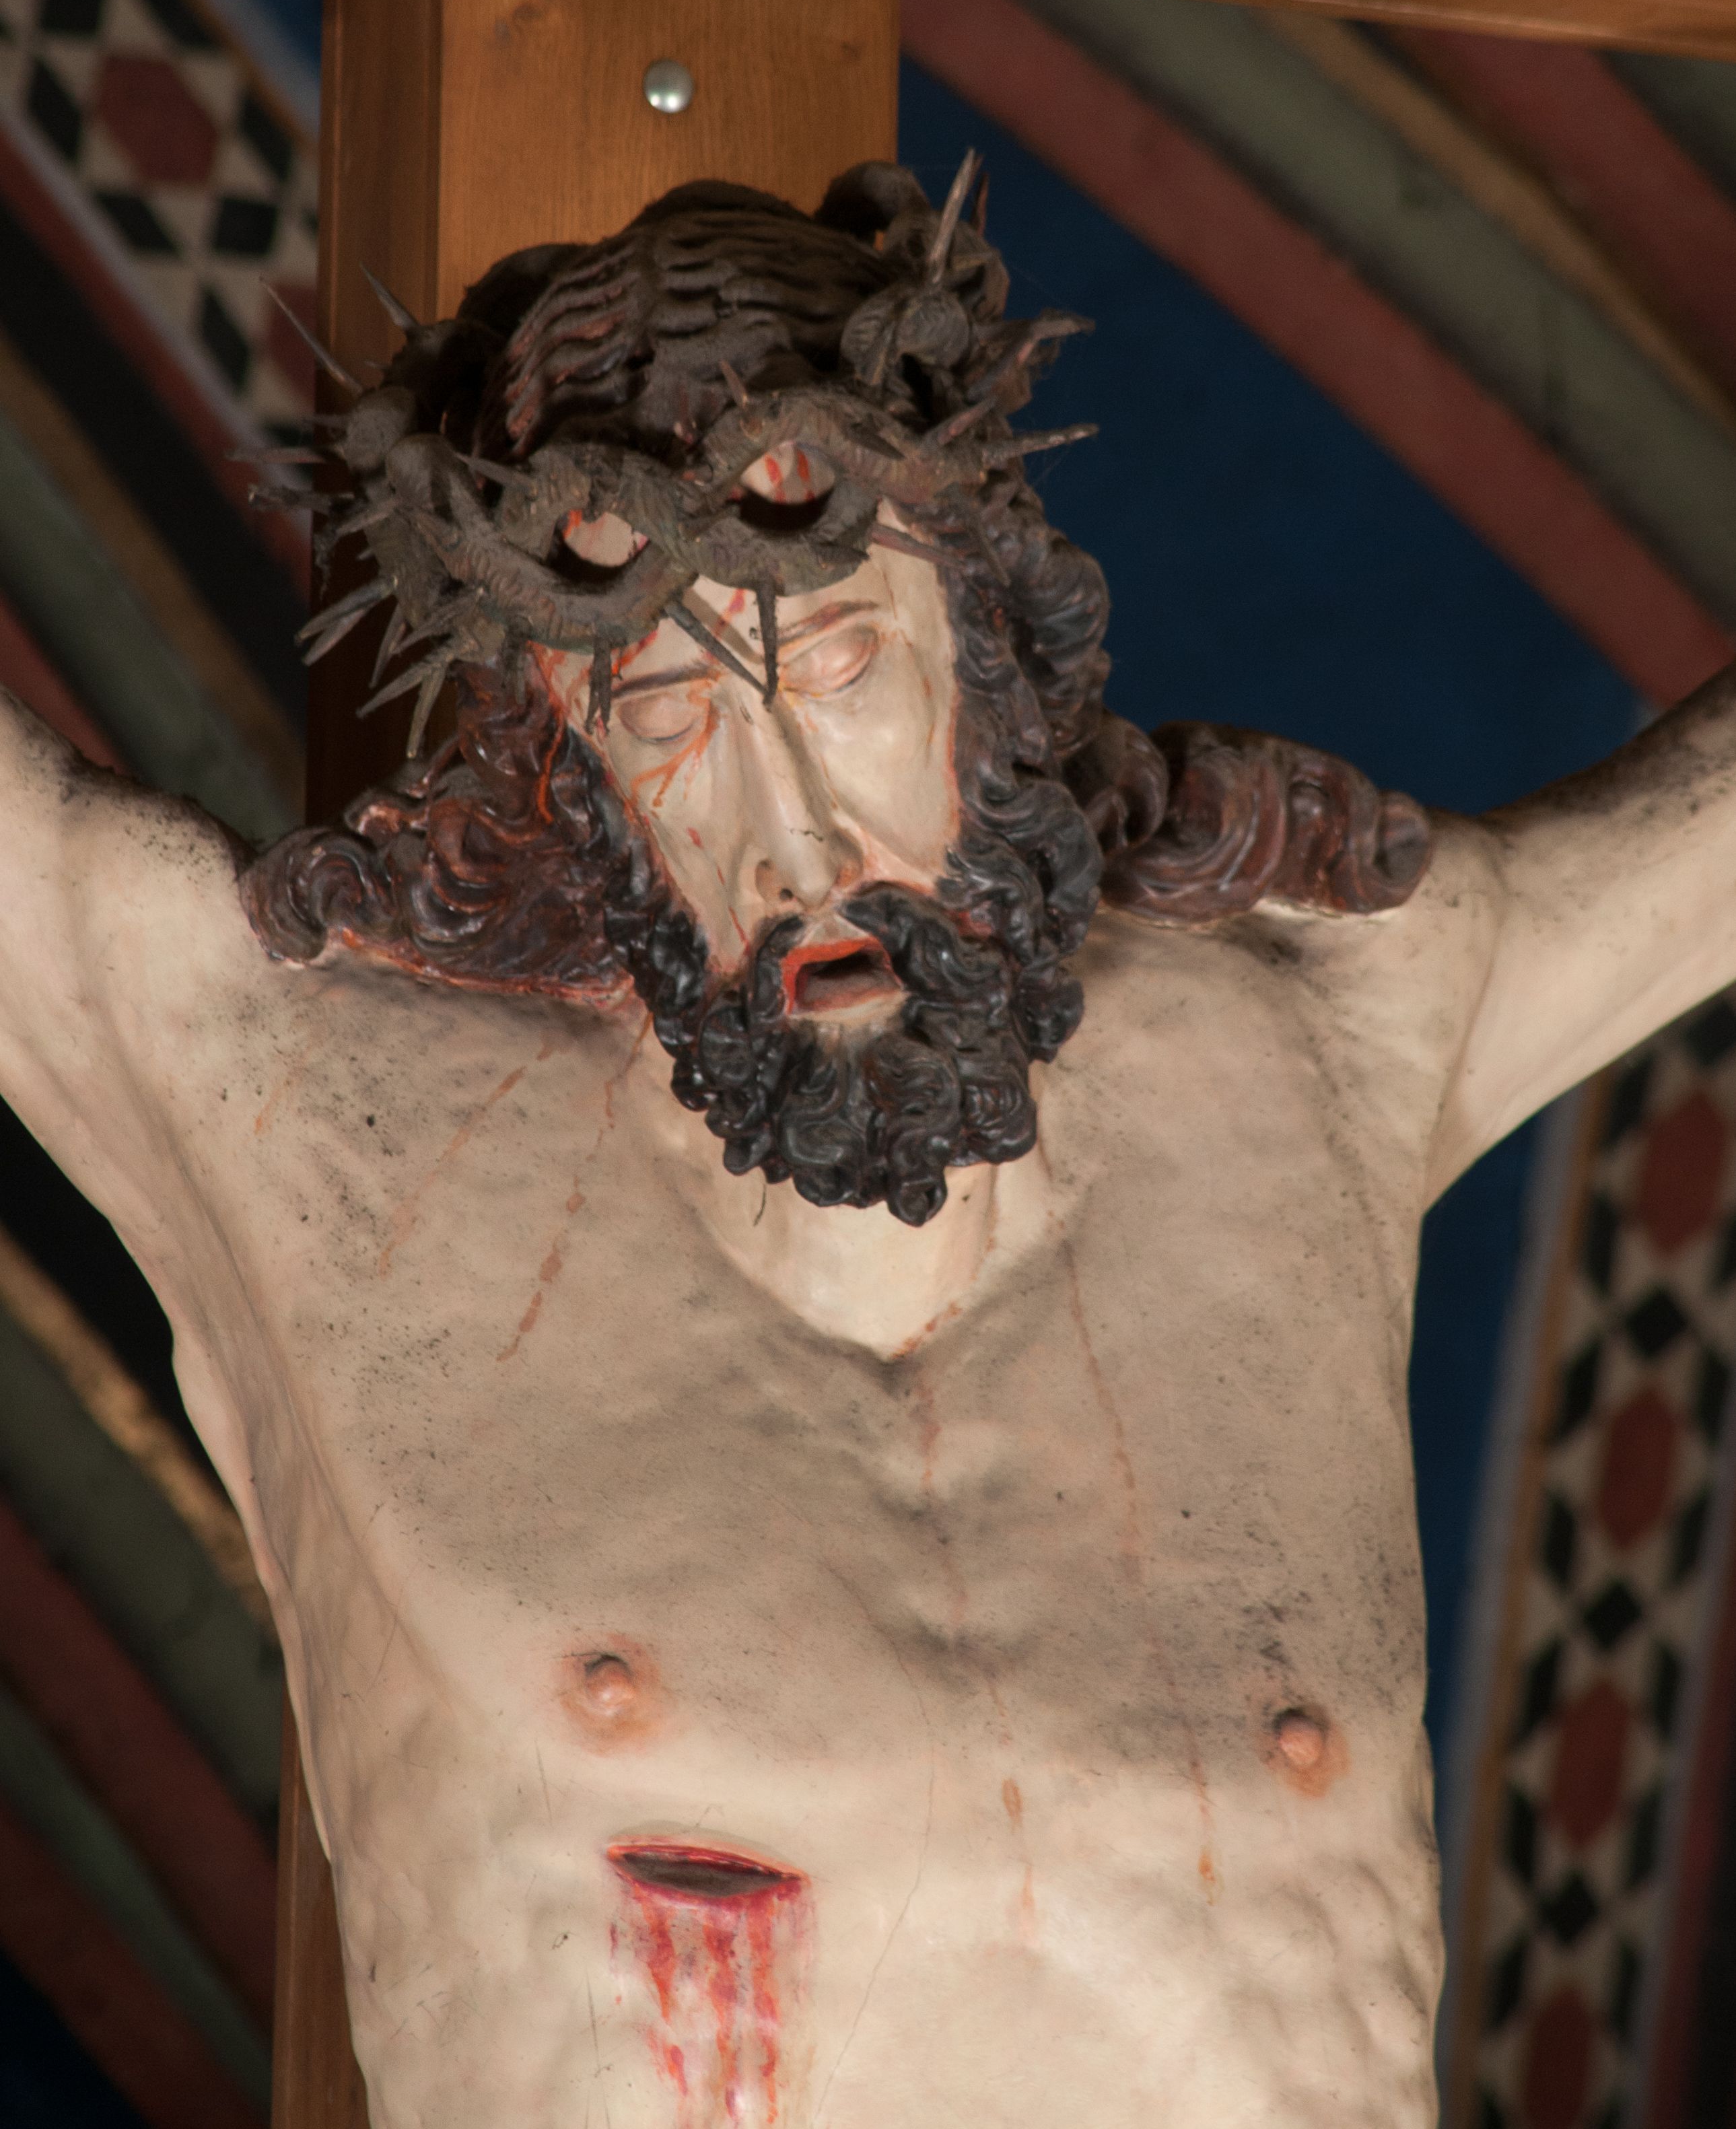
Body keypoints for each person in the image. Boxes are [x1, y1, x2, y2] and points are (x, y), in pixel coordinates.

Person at [1, 158, 1730, 2129]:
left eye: (838, 674)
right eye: (666, 720)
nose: (796, 839)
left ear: (990, 662)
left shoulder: (1320, 1044)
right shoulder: (305, 1116)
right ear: (565, 779)